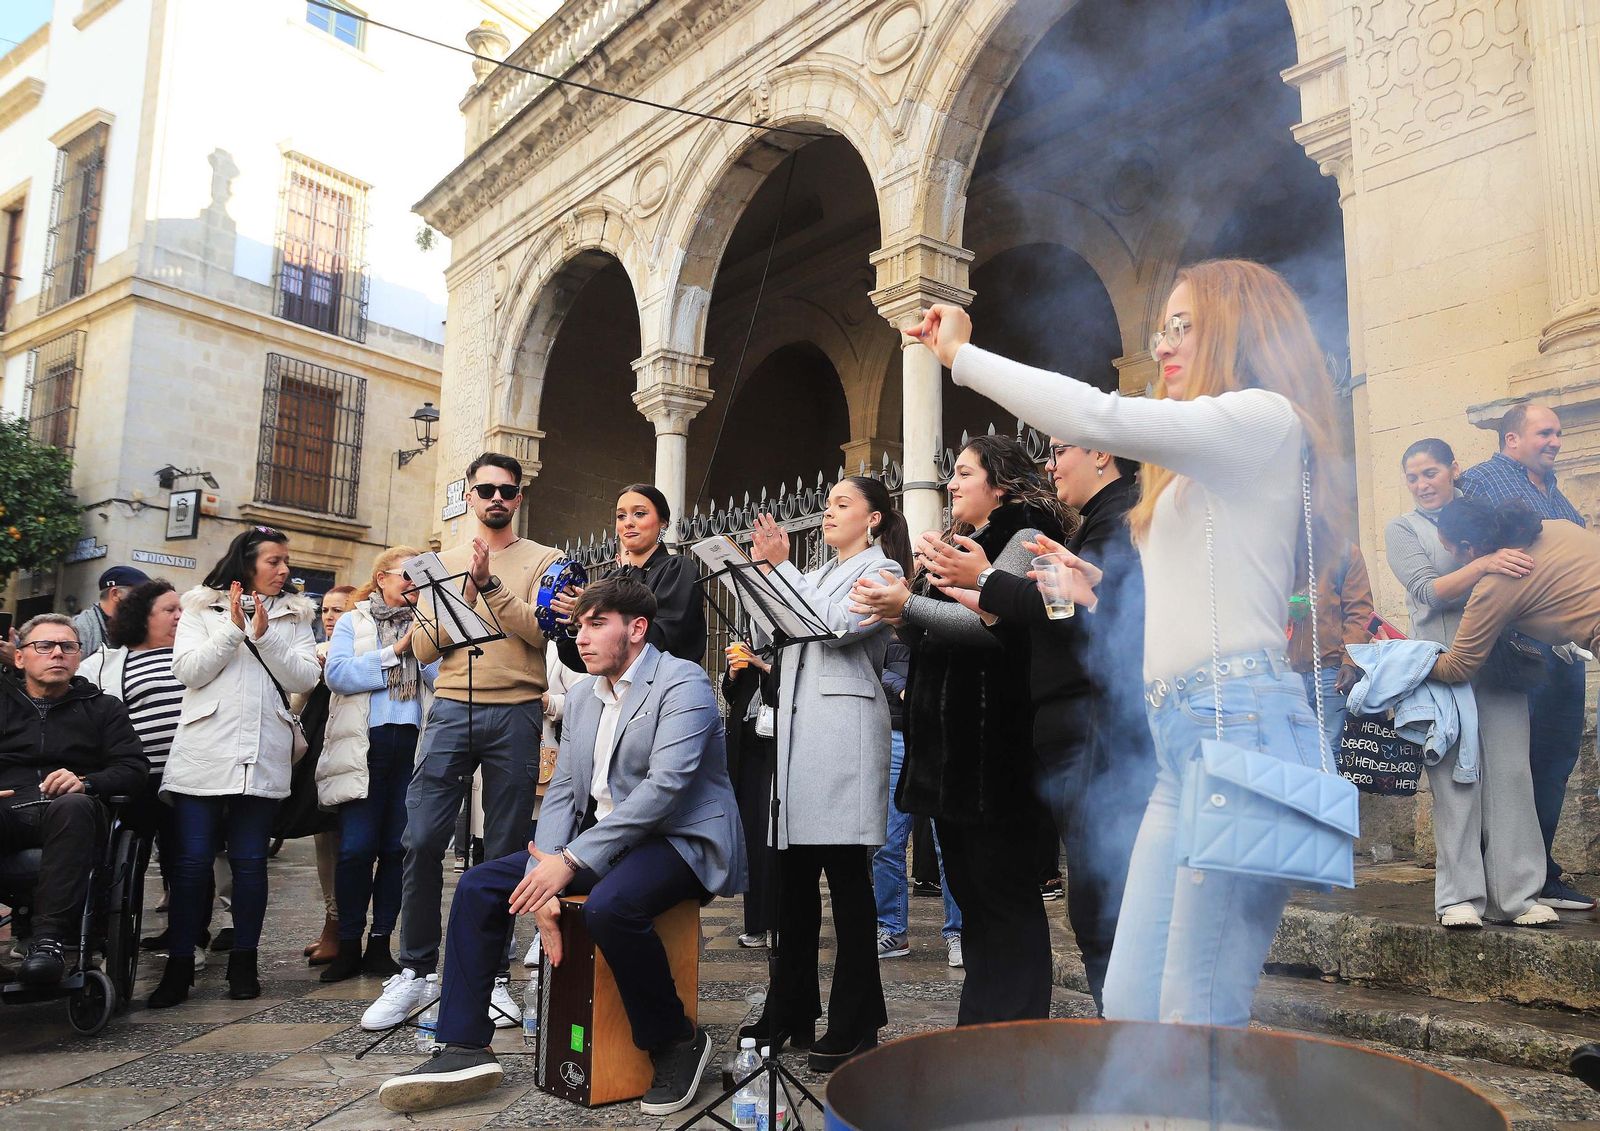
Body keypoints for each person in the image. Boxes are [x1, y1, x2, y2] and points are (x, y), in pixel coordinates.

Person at [906, 258, 1347, 1027]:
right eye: (1162, 327)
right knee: (1131, 998)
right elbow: (1194, 588)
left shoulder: (1264, 418)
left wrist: (961, 356)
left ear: (1237, 331)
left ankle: (1206, 1091)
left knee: (1194, 1005)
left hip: (1235, 718)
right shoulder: (1201, 461)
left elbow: (1099, 415)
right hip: (1178, 736)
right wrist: (1095, 586)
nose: (1164, 344)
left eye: (1184, 326)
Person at [376, 577, 746, 1118]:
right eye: (578, 627)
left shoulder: (681, 682)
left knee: (611, 907)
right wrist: (545, 868)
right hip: (603, 842)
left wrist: (569, 862)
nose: (582, 638)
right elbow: (565, 791)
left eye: (597, 624)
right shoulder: (584, 696)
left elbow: (665, 789)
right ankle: (462, 1046)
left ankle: (675, 1041)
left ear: (637, 629)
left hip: (679, 840)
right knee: (478, 885)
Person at [920, 439, 1156, 1013]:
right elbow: (1059, 612)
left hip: (1093, 733)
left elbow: (1086, 621)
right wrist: (972, 593)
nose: (1049, 466)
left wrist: (980, 582)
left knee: (1102, 910)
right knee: (1082, 909)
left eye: (1059, 451)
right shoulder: (1094, 522)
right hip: (1069, 733)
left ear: (1101, 453)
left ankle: (1127, 1042)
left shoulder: (1114, 520)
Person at [851, 435, 1070, 1026]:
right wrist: (901, 606)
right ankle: (981, 1021)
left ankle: (1017, 1026)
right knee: (973, 897)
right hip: (950, 758)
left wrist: (907, 605)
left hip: (993, 753)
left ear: (1000, 484)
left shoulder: (1025, 535)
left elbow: (991, 626)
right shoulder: (963, 541)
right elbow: (932, 630)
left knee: (1005, 898)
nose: (952, 483)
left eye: (966, 473)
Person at [364, 452, 564, 1033]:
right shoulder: (440, 563)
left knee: (503, 851)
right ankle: (415, 969)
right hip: (452, 706)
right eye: (486, 489)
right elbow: (426, 648)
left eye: (507, 489)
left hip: (517, 708)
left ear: (519, 497)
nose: (496, 498)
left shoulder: (546, 559)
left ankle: (493, 977)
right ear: (470, 496)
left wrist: (489, 585)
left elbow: (541, 633)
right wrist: (458, 599)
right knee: (422, 838)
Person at [737, 475, 910, 1071]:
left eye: (842, 504)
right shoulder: (814, 574)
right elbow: (774, 633)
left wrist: (782, 569)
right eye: (827, 503)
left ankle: (858, 1019)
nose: (828, 513)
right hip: (798, 736)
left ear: (873, 519)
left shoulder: (884, 570)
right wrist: (760, 577)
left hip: (842, 740)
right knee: (793, 886)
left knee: (848, 884)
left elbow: (836, 629)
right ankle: (791, 1006)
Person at [148, 527, 320, 1008]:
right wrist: (233, 628)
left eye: (286, 561)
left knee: (249, 863)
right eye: (273, 561)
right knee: (191, 864)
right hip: (205, 751)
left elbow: (306, 677)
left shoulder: (295, 614)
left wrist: (264, 636)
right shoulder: (201, 608)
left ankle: (244, 961)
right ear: (246, 564)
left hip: (262, 753)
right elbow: (188, 670)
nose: (284, 569)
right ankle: (179, 964)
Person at [1383, 440, 1551, 929]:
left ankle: (1517, 897)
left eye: (1431, 472)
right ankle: (1459, 898)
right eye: (1413, 477)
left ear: (1454, 469)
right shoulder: (1403, 528)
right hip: (1441, 671)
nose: (1422, 484)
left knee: (1512, 776)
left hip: (1500, 666)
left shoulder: (1487, 514)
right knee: (1456, 781)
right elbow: (1426, 591)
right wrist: (1484, 564)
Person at [1458, 404, 1593, 912]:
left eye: (1558, 432)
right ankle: (1503, 876)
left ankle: (1543, 874)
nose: (1555, 440)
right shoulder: (1483, 482)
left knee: (1555, 762)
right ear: (1511, 439)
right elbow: (1473, 553)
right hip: (1518, 651)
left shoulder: (1555, 492)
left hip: (1565, 649)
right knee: (1514, 768)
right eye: (1545, 432)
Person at [0, 615, 147, 985]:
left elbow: (133, 768)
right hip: (8, 811)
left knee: (73, 805)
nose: (57, 654)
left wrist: (87, 782)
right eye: (44, 646)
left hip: (72, 816)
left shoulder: (103, 707)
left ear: (79, 657)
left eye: (68, 647)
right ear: (19, 657)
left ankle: (48, 942)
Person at [318, 549, 439, 982]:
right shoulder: (354, 621)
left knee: (396, 849)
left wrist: (425, 644)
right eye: (406, 574)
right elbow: (338, 675)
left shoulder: (432, 621)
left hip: (412, 746)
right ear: (382, 578)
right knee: (355, 849)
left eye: (420, 575)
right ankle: (348, 943)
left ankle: (379, 943)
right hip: (363, 746)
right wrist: (394, 652)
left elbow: (443, 681)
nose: (413, 582)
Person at [79, 580, 184, 945]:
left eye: (181, 609)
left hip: (186, 778)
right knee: (125, 860)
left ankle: (188, 935)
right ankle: (111, 931)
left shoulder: (192, 656)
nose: (179, 616)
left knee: (185, 859)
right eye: (169, 610)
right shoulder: (106, 663)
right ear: (142, 616)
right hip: (136, 779)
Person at [870, 631, 963, 967]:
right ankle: (892, 929)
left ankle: (959, 932)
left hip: (940, 731)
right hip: (895, 731)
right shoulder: (883, 619)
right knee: (887, 842)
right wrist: (901, 686)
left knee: (948, 843)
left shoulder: (947, 609)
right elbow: (868, 663)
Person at [552, 483, 708, 668]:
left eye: (639, 514)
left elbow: (666, 639)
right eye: (621, 516)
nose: (628, 523)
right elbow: (578, 662)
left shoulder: (678, 569)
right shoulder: (609, 578)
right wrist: (576, 621)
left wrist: (597, 612)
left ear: (663, 523)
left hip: (667, 680)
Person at [292, 584, 356, 967]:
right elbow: (295, 704)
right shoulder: (315, 651)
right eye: (326, 610)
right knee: (324, 844)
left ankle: (340, 929)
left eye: (338, 610)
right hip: (318, 756)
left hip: (349, 757)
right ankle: (331, 924)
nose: (330, 617)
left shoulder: (354, 649)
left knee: (344, 845)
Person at [1289, 543, 1376, 751]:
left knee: (1329, 752)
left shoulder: (1344, 552)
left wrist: (1350, 661)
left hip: (1331, 672)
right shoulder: (1272, 549)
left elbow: (1360, 613)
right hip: (1283, 673)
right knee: (1289, 752)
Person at [722, 637, 777, 949]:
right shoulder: (750, 647)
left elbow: (787, 690)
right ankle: (755, 923)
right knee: (751, 836)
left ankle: (776, 923)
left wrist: (761, 664)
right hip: (746, 750)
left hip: (774, 747)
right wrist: (733, 672)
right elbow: (732, 696)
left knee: (771, 835)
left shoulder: (790, 645)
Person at [72, 565, 150, 655]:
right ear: (115, 594)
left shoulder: (139, 626)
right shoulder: (81, 629)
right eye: (140, 595)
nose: (146, 601)